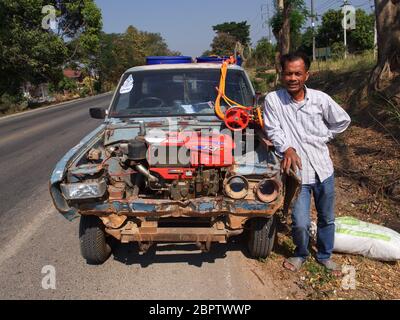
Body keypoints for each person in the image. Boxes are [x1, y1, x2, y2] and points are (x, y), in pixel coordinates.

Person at [263, 52, 351, 274]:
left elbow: (342, 121)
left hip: (323, 168)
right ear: (281, 75)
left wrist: (325, 136)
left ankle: (324, 256)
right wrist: (287, 148)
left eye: (297, 73)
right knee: (300, 221)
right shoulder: (273, 100)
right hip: (297, 173)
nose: (292, 78)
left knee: (327, 217)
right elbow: (273, 129)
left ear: (307, 75)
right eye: (288, 73)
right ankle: (301, 253)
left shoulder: (320, 99)